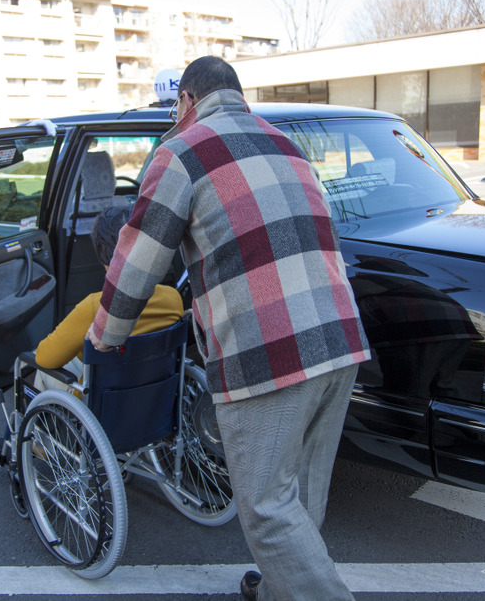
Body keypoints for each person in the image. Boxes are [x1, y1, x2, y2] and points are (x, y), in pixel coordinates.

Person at [85, 56, 370, 600]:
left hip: (270, 353)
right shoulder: (286, 144)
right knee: (301, 492)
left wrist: (106, 334)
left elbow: (138, 259)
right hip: (341, 337)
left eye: (176, 106)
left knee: (265, 509)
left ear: (187, 101)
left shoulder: (181, 151)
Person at [35, 206, 182, 385]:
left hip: (99, 402)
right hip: (153, 392)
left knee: (40, 367)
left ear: (102, 255)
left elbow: (45, 359)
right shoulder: (173, 298)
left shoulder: (94, 307)